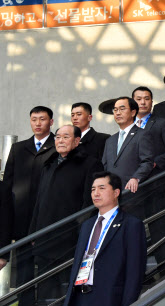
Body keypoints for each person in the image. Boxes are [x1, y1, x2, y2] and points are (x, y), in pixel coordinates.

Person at [29, 125, 103, 305]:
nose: (60, 141)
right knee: (46, 289)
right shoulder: (49, 163)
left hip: (71, 237)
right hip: (44, 235)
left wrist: (82, 230)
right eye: (58, 137)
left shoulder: (89, 163)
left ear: (77, 141)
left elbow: (91, 202)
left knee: (69, 287)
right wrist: (33, 231)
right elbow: (39, 201)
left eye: (65, 137)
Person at [64, 172, 146, 306]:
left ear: (116, 193)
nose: (96, 193)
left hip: (109, 299)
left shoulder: (131, 225)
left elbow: (134, 273)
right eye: (93, 189)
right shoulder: (87, 225)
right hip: (80, 297)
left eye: (102, 188)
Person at [3, 106, 56, 305]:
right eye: (34, 119)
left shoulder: (57, 145)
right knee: (24, 268)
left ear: (51, 122)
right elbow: (8, 183)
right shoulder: (18, 148)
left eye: (42, 119)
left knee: (48, 266)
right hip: (22, 218)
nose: (37, 123)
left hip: (48, 217)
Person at [132, 86, 165, 264]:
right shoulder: (128, 126)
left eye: (147, 98)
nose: (143, 102)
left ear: (152, 102)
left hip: (155, 184)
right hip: (132, 186)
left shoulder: (160, 123)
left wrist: (156, 162)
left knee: (159, 228)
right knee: (133, 231)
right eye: (138, 99)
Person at [101, 97, 155, 193]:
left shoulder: (142, 135)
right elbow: (105, 166)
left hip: (131, 191)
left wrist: (136, 178)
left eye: (122, 109)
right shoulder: (110, 140)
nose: (117, 113)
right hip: (111, 193)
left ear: (133, 112)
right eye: (115, 110)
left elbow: (147, 162)